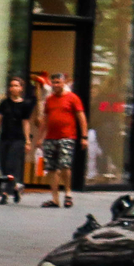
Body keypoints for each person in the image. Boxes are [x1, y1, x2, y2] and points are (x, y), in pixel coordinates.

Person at [39, 73, 87, 208]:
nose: (55, 85)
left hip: (67, 136)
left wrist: (84, 137)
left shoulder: (72, 98)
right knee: (51, 168)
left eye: (58, 82)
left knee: (65, 166)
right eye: (53, 83)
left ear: (64, 83)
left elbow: (81, 117)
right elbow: (45, 119)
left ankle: (68, 193)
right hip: (50, 137)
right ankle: (55, 198)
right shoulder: (49, 99)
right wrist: (39, 138)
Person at [0, 74, 32, 199]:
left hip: (18, 139)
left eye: (16, 86)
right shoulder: (4, 103)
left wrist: (28, 141)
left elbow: (26, 123)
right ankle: (14, 187)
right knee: (2, 164)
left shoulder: (25, 105)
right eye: (11, 86)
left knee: (11, 164)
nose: (13, 88)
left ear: (21, 88)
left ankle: (5, 192)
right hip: (4, 137)